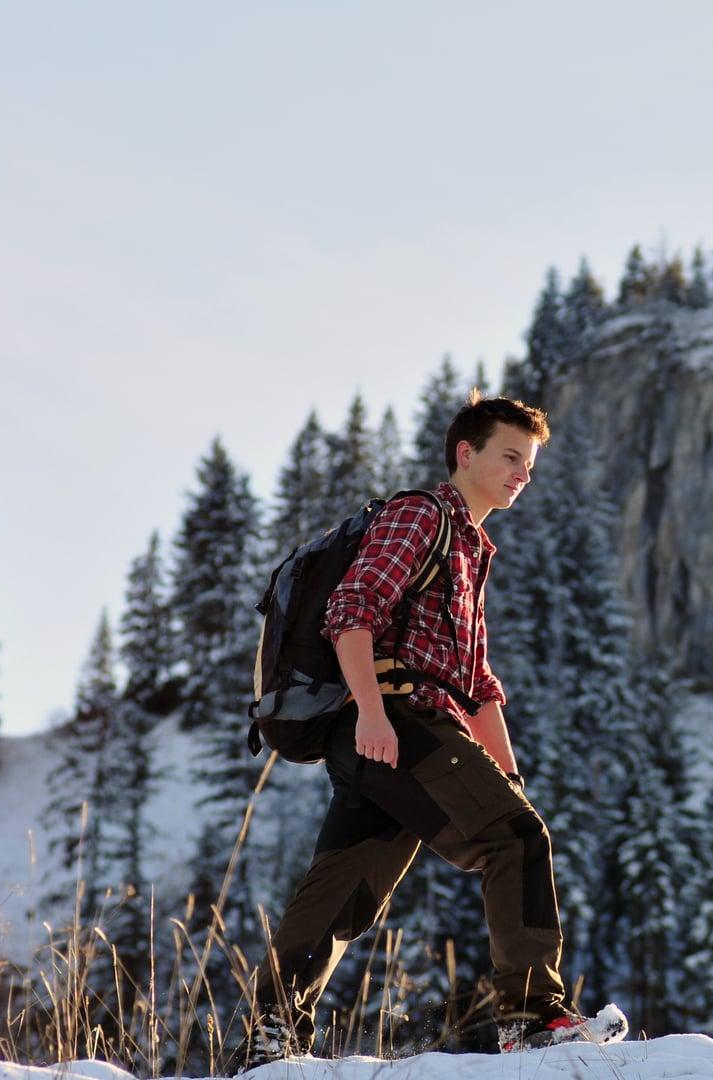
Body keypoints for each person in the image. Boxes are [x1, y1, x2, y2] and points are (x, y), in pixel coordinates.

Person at [244, 393, 616, 1066]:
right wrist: (377, 714)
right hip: (397, 723)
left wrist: (506, 777)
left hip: (391, 732)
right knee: (517, 840)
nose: (521, 474)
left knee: (342, 894)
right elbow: (351, 611)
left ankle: (270, 1043)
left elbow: (476, 686)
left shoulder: (471, 549)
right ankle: (532, 1018)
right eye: (510, 456)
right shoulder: (421, 514)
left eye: (529, 464)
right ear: (464, 453)